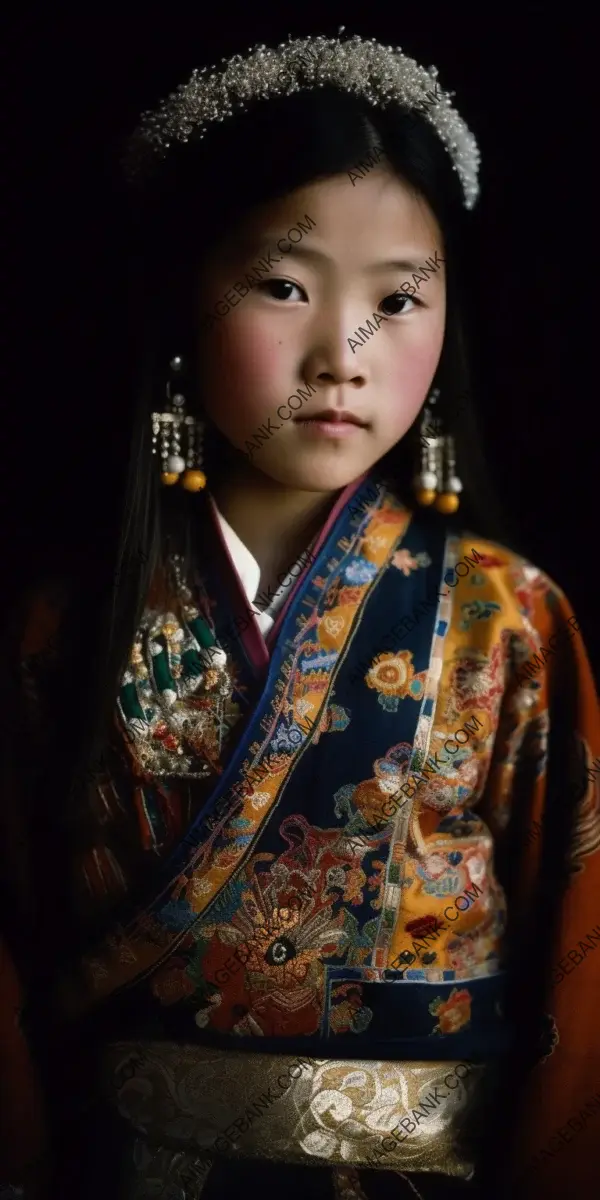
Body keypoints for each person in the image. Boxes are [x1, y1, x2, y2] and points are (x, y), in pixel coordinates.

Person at [1, 29, 599, 1200]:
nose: (345, 353)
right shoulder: (59, 632)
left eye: (397, 298)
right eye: (284, 284)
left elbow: (588, 968)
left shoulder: (509, 621)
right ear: (181, 302)